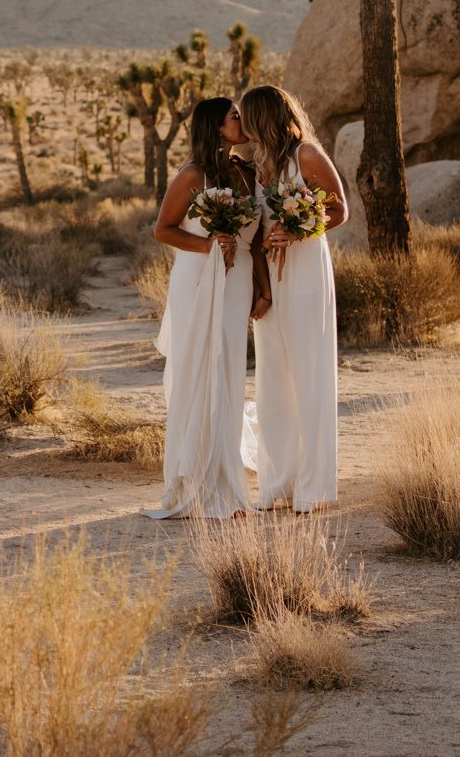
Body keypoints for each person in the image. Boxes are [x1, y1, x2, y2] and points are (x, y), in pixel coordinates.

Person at [141, 95, 270, 520]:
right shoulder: (192, 174)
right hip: (198, 278)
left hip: (237, 281)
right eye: (235, 116)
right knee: (200, 371)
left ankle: (228, 484)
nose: (242, 120)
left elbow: (255, 241)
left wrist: (260, 288)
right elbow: (163, 229)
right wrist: (209, 244)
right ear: (216, 125)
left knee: (230, 371)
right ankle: (195, 485)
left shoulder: (248, 173)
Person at [242, 82, 344, 512]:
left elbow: (339, 209)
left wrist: (299, 227)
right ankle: (277, 481)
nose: (242, 125)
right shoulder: (257, 164)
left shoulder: (306, 154)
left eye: (247, 117)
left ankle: (314, 486)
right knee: (272, 377)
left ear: (262, 117)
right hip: (272, 278)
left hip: (304, 271)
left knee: (308, 371)